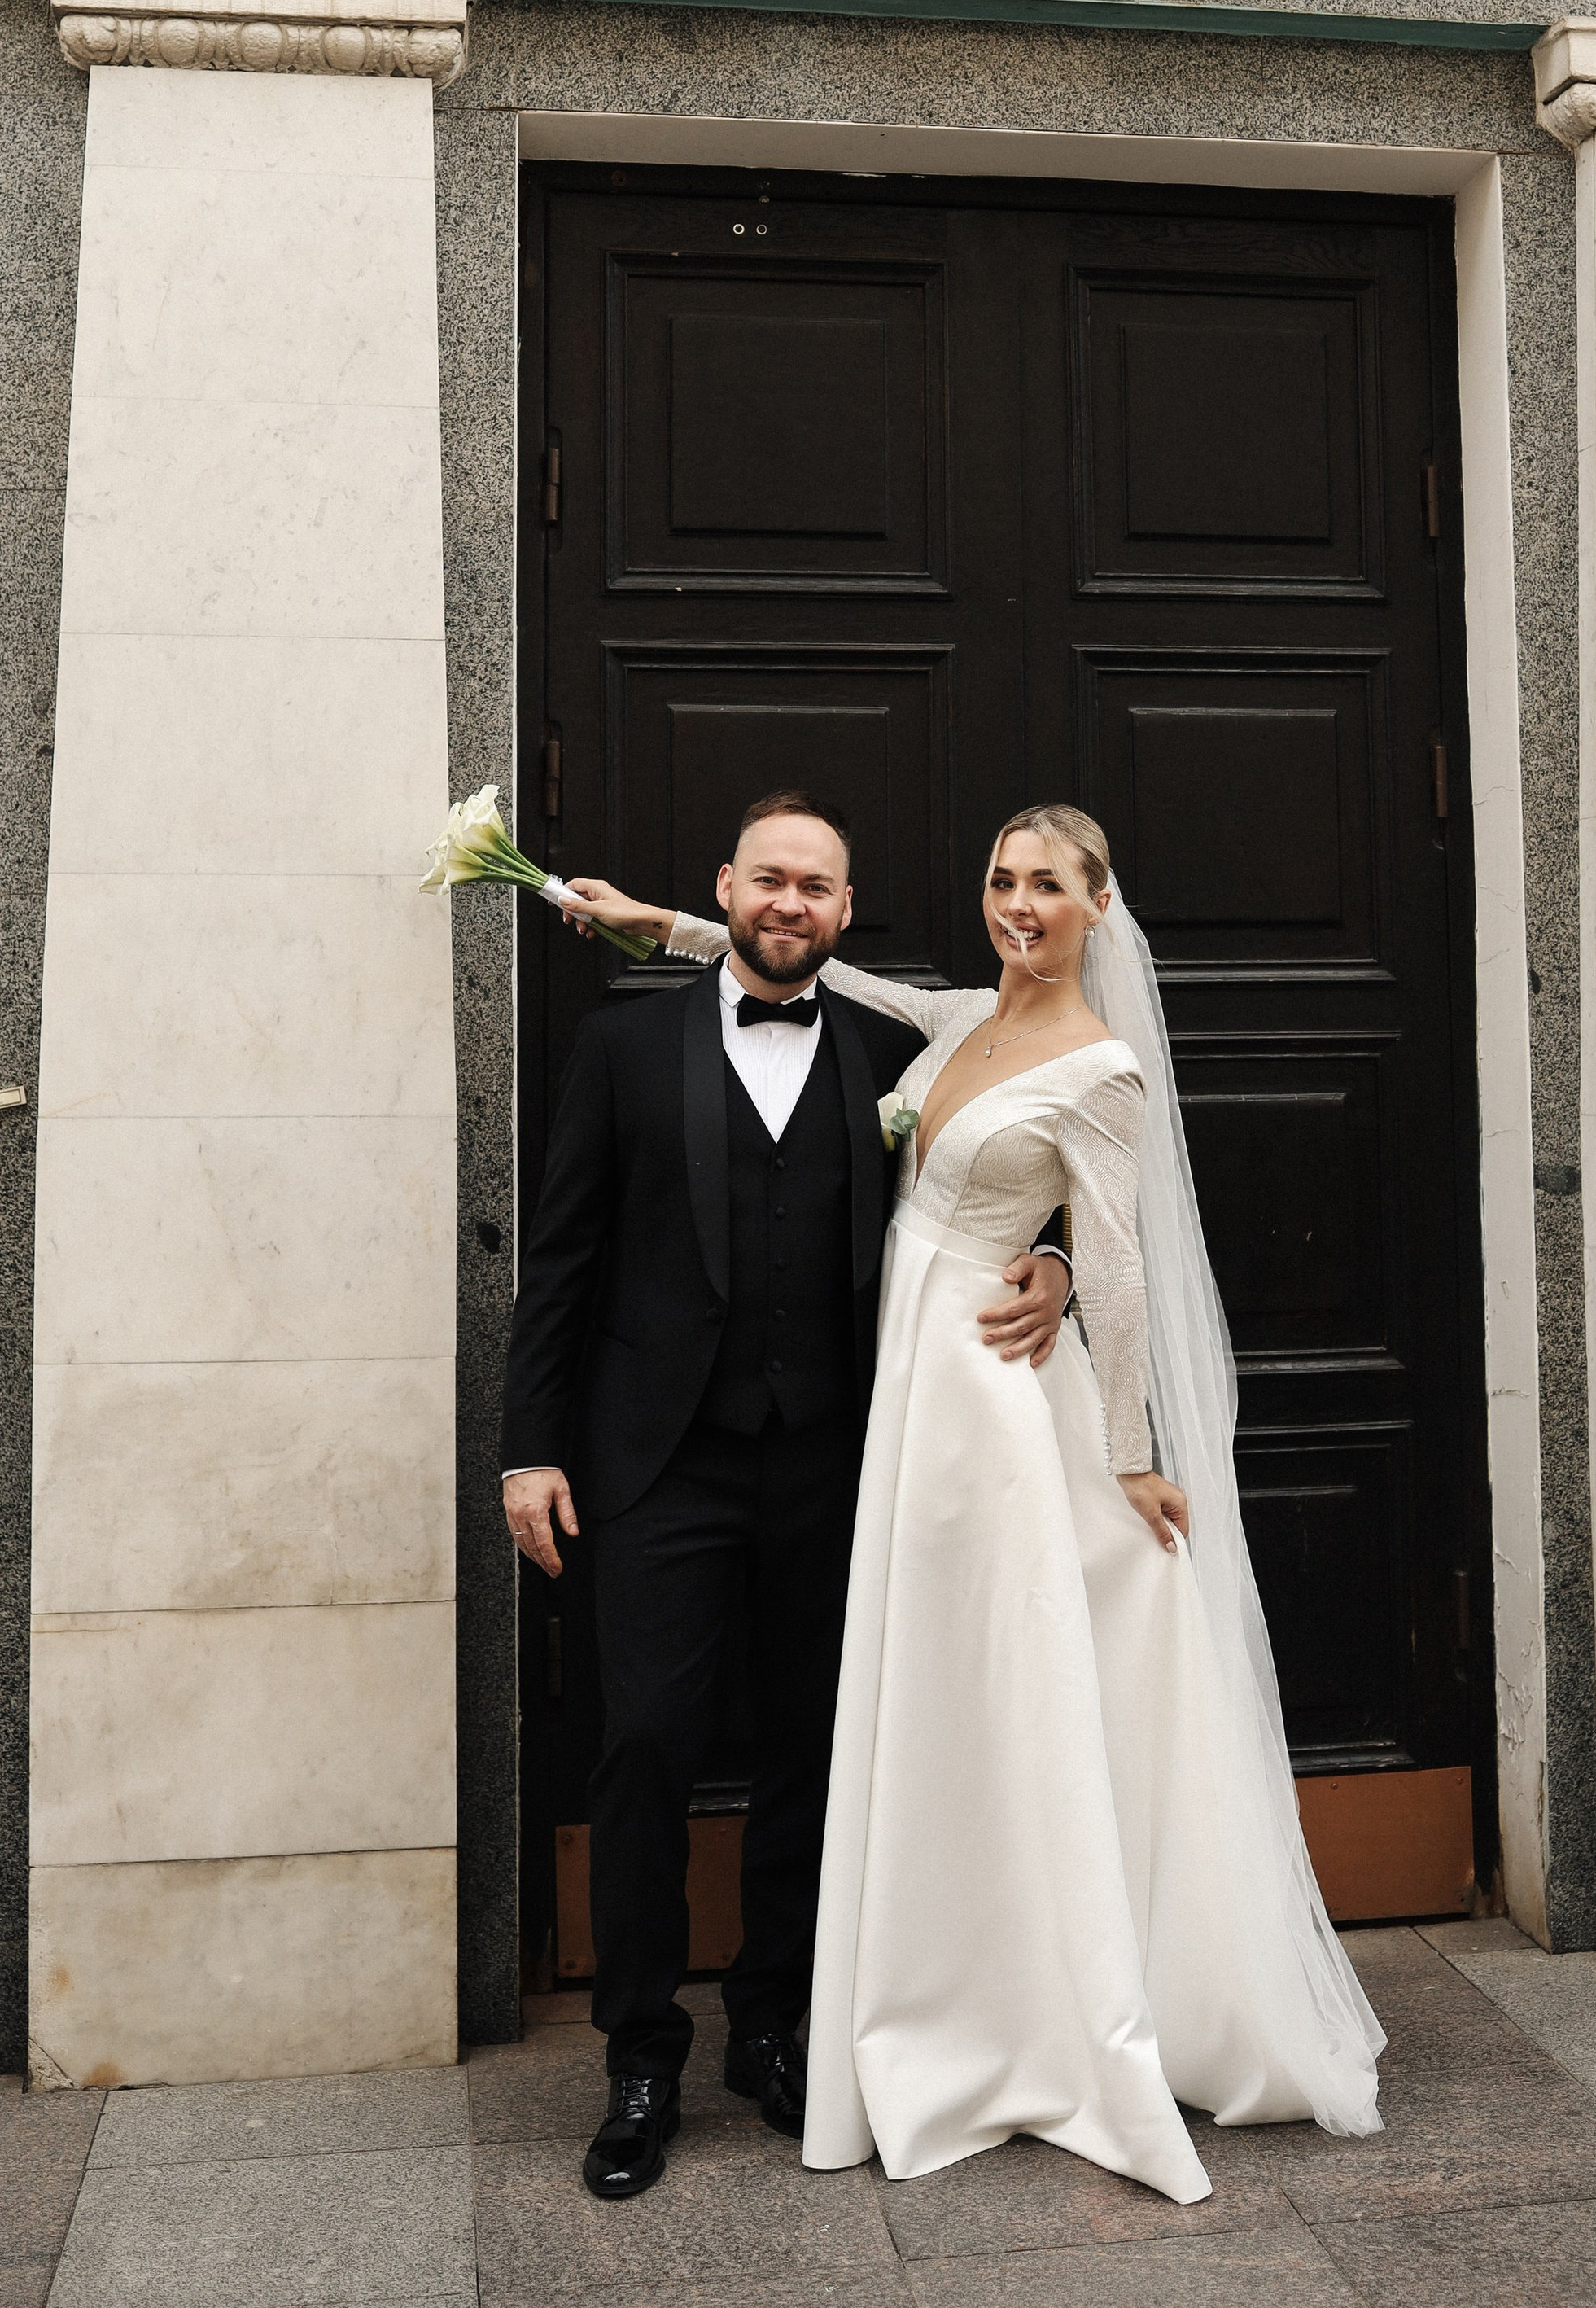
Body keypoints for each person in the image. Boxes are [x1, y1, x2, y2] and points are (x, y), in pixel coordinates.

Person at [564, 801, 1385, 2205]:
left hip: (976, 1407)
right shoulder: (949, 1023)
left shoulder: (1101, 1064)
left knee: (972, 1699)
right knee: (841, 1704)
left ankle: (968, 2008)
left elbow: (1118, 1264)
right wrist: (655, 921)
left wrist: (1124, 1443)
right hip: (882, 1398)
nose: (1020, 904)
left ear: (1097, 904)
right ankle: (728, 2034)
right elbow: (820, 972)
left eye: (1049, 886)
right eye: (1004, 879)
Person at [501, 792, 1071, 2204]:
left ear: (845, 908)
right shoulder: (624, 1044)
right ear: (726, 888)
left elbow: (1020, 1138)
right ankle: (642, 2054)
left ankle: (773, 2023)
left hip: (836, 1457)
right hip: (656, 1464)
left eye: (817, 884)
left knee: (816, 1755)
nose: (790, 903)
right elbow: (561, 1260)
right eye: (769, 879)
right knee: (642, 1744)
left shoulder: (893, 1046)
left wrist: (1054, 1259)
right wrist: (529, 1447)